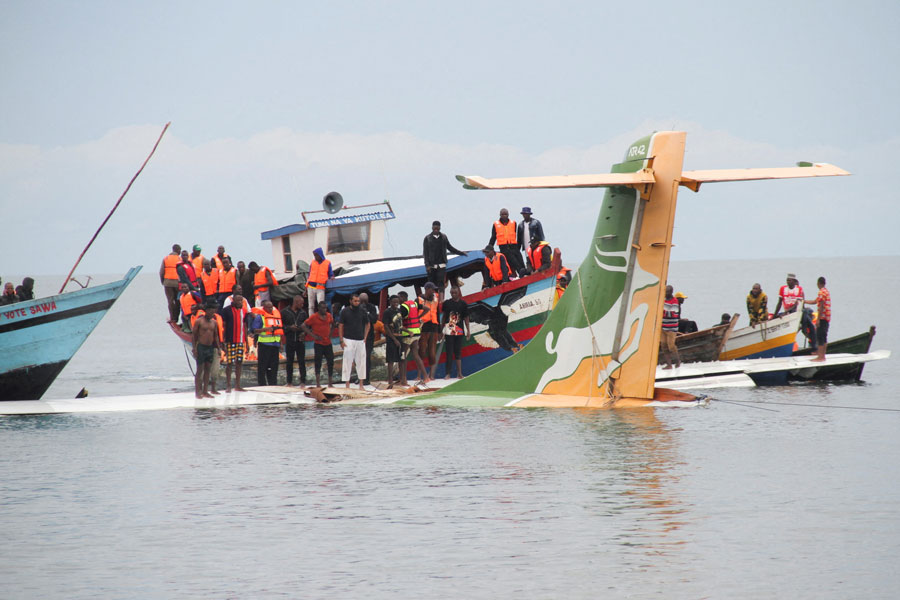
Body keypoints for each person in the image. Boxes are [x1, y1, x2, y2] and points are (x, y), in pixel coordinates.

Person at [397, 290, 430, 383]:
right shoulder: (414, 304)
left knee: (402, 357)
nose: (397, 299)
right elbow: (427, 309)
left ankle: (403, 379)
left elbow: (399, 321)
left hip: (407, 335)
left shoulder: (403, 307)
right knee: (416, 355)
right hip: (416, 333)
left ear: (403, 298)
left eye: (398, 297)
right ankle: (426, 377)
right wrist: (418, 318)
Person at [339, 294, 370, 390]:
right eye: (355, 301)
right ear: (350, 301)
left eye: (358, 301)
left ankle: (361, 385)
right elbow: (340, 325)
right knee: (347, 362)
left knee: (361, 362)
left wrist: (365, 337)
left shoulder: (362, 311)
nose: (357, 303)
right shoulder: (345, 311)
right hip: (348, 339)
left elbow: (368, 324)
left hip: (360, 340)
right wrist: (341, 340)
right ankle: (347, 385)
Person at [220, 293, 250, 392]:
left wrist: (247, 342)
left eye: (241, 300)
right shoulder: (226, 311)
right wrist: (223, 341)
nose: (240, 302)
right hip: (230, 340)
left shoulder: (244, 311)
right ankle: (228, 385)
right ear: (233, 301)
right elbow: (223, 326)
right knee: (230, 362)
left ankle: (238, 385)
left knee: (239, 362)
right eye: (238, 300)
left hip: (240, 340)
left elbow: (245, 326)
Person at [423, 221, 466, 290]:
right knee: (431, 283)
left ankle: (441, 299)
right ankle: (434, 298)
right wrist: (427, 265)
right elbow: (425, 253)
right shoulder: (427, 238)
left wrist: (460, 253)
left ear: (440, 227)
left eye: (438, 226)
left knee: (441, 283)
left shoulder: (444, 237)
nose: (436, 227)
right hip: (431, 265)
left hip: (441, 264)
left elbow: (450, 247)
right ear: (432, 227)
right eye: (434, 226)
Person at [251, 299, 283, 386]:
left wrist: (281, 343)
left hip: (275, 345)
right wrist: (265, 329)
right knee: (262, 367)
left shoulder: (276, 316)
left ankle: (273, 384)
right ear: (264, 308)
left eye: (271, 307)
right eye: (268, 307)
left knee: (274, 367)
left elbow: (279, 331)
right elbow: (254, 330)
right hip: (264, 345)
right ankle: (262, 385)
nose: (270, 309)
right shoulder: (260, 317)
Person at [441, 285, 470, 379]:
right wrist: (442, 330)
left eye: (455, 293)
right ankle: (448, 373)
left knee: (458, 352)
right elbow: (444, 317)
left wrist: (468, 331)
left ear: (459, 293)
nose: (453, 294)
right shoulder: (447, 303)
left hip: (459, 330)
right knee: (449, 352)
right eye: (452, 293)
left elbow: (466, 318)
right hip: (449, 330)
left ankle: (459, 373)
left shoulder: (463, 304)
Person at [192, 303, 220, 399]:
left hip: (210, 347)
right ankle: (197, 392)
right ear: (206, 311)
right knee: (200, 370)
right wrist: (194, 348)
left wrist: (219, 348)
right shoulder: (199, 321)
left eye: (213, 311)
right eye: (210, 310)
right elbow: (194, 335)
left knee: (208, 369)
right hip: (201, 347)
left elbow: (216, 336)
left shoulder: (214, 323)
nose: (212, 312)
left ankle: (205, 391)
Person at [488, 208, 527, 277]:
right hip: (504, 248)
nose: (504, 216)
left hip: (514, 246)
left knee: (521, 261)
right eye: (502, 214)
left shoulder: (513, 223)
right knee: (515, 263)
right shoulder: (496, 224)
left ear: (508, 215)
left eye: (505, 214)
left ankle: (526, 274)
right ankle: (522, 276)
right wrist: (489, 248)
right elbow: (493, 237)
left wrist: (518, 247)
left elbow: (517, 236)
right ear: (500, 215)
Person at [305, 301, 335, 387]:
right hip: (318, 343)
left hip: (328, 343)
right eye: (323, 308)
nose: (324, 309)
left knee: (330, 362)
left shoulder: (329, 315)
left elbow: (333, 324)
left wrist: (330, 334)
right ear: (319, 308)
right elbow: (304, 325)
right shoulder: (314, 317)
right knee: (318, 362)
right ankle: (318, 384)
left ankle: (330, 383)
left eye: (325, 308)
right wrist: (313, 335)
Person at [381, 295, 409, 388]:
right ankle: (390, 381)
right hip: (392, 339)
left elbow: (400, 325)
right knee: (391, 360)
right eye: (394, 302)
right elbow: (386, 327)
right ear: (390, 302)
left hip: (401, 337)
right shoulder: (387, 312)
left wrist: (408, 331)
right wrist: (394, 339)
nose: (396, 304)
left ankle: (403, 380)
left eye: (397, 302)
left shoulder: (399, 311)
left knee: (402, 359)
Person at [281, 295, 308, 387]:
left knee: (302, 361)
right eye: (301, 303)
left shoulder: (303, 313)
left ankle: (303, 382)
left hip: (300, 341)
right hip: (290, 340)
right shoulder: (285, 312)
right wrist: (289, 328)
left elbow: (308, 326)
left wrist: (304, 333)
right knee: (289, 361)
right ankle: (289, 382)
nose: (302, 305)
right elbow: (281, 326)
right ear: (296, 302)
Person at [805, 276, 831, 361]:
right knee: (824, 336)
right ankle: (822, 355)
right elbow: (815, 301)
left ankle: (820, 357)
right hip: (827, 317)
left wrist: (818, 319)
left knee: (820, 337)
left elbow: (821, 306)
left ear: (818, 283)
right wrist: (804, 301)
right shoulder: (826, 291)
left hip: (823, 317)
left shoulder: (821, 292)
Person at [418, 283, 440, 379]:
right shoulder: (419, 300)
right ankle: (419, 375)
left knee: (432, 352)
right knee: (422, 351)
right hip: (423, 327)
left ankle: (431, 375)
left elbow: (437, 313)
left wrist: (439, 330)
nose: (434, 292)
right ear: (427, 289)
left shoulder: (435, 298)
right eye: (432, 289)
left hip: (434, 327)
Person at [358, 292, 378, 385]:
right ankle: (359, 377)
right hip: (358, 335)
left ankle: (366, 378)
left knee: (366, 357)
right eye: (362, 301)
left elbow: (374, 320)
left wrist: (366, 313)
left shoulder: (372, 307)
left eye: (365, 301)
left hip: (369, 336)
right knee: (358, 357)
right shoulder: (356, 307)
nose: (363, 303)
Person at [660, 285, 682, 369]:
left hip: (672, 328)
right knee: (664, 346)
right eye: (665, 292)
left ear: (671, 292)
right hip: (663, 326)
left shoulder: (675, 301)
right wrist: (664, 311)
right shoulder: (663, 300)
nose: (665, 293)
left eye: (667, 292)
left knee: (671, 346)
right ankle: (669, 364)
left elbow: (673, 314)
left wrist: (662, 311)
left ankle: (677, 361)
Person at [159, 244, 182, 322]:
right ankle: (176, 318)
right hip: (177, 283)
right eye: (180, 250)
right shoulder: (180, 258)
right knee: (178, 300)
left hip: (168, 282)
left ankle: (172, 317)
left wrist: (163, 281)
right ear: (178, 250)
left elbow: (161, 272)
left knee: (170, 300)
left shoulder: (166, 258)